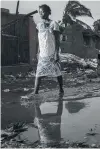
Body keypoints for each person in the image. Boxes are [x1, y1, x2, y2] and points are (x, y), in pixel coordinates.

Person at [34, 4, 64, 95]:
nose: (41, 13)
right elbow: (40, 40)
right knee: (38, 74)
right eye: (39, 12)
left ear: (48, 12)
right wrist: (38, 52)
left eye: (42, 11)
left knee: (57, 72)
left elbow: (57, 40)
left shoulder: (54, 24)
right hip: (43, 54)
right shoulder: (38, 25)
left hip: (52, 53)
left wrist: (56, 53)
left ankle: (61, 89)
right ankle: (35, 92)